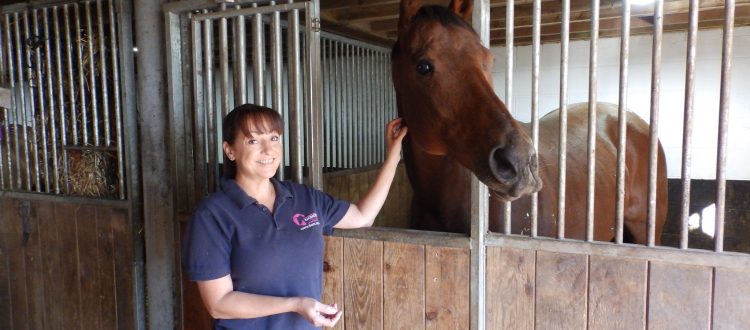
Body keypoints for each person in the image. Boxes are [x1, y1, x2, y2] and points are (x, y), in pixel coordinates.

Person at [182, 103, 408, 329]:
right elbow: (219, 304)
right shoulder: (212, 215)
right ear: (230, 150)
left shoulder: (304, 198)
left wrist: (392, 157)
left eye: (274, 138)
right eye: (253, 140)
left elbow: (362, 216)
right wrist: (295, 304)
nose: (268, 150)